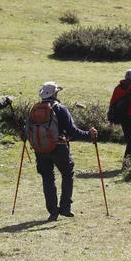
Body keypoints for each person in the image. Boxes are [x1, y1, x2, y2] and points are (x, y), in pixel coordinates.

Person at [29, 82, 97, 221]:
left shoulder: (35, 109)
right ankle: (65, 207)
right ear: (55, 93)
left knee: (47, 178)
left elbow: (27, 130)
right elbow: (72, 131)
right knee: (67, 174)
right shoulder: (60, 108)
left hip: (40, 149)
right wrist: (88, 134)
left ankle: (53, 211)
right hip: (59, 147)